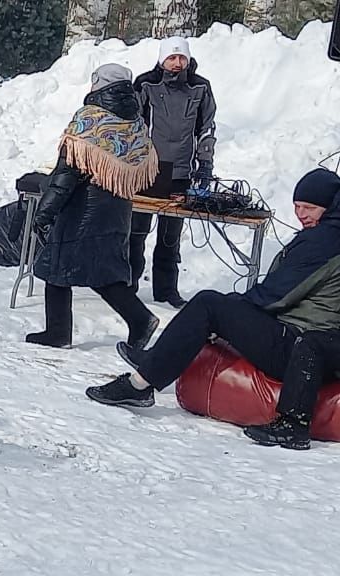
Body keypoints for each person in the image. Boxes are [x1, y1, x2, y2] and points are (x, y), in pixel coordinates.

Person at [87, 168, 340, 452]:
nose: (301, 214)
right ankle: (152, 365)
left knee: (209, 304)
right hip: (307, 340)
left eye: (310, 208)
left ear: (330, 207)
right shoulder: (328, 234)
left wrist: (230, 313)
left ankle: (141, 383)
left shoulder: (324, 240)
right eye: (296, 207)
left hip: (298, 345)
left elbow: (275, 296)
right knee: (218, 308)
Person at [25, 63, 160, 351]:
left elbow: (66, 172)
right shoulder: (136, 122)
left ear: (98, 84)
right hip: (118, 205)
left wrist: (45, 211)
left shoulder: (90, 118)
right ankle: (138, 320)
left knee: (56, 267)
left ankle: (60, 332)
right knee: (103, 271)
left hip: (84, 207)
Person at [129, 37, 218, 308]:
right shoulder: (145, 84)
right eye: (172, 58)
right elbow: (133, 125)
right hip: (147, 169)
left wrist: (205, 165)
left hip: (181, 171)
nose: (177, 63)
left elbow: (207, 129)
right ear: (162, 59)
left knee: (170, 238)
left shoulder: (200, 87)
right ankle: (128, 285)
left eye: (182, 58)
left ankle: (166, 290)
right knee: (136, 232)